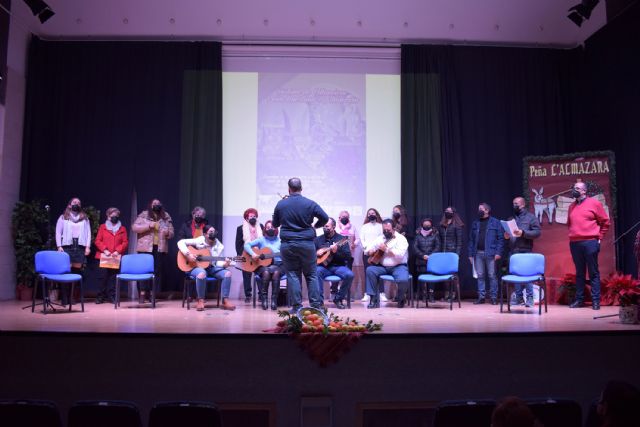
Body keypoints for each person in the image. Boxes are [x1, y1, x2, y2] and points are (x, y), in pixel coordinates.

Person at [272, 177, 329, 311]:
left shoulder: (281, 204)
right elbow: (325, 218)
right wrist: (315, 226)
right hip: (307, 244)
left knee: (292, 274)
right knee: (311, 275)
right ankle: (315, 306)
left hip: (288, 244)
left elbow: (275, 224)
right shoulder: (310, 203)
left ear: (289, 189)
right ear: (301, 188)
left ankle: (297, 307)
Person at [568, 181, 610, 310]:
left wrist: (599, 237)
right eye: (573, 187)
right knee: (580, 273)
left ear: (584, 191)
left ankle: (596, 301)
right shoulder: (571, 206)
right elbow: (570, 224)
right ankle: (579, 300)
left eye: (577, 188)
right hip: (575, 243)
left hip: (590, 242)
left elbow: (605, 222)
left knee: (593, 272)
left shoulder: (594, 203)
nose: (574, 190)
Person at [177, 225, 235, 311]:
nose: (213, 233)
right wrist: (188, 254)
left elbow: (217, 262)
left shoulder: (219, 246)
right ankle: (200, 300)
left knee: (227, 273)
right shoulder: (199, 240)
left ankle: (225, 300)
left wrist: (225, 264)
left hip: (212, 267)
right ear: (204, 234)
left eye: (214, 231)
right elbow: (180, 242)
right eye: (210, 232)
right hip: (195, 266)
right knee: (201, 274)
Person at [131, 199, 174, 304]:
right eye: (154, 203)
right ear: (150, 205)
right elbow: (134, 228)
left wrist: (167, 232)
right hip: (145, 247)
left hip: (159, 247)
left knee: (155, 272)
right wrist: (149, 226)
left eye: (158, 204)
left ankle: (151, 294)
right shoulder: (144, 215)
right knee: (143, 271)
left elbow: (172, 233)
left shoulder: (165, 216)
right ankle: (142, 294)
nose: (156, 205)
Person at [364, 218, 410, 308]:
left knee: (403, 280)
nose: (386, 231)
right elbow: (367, 250)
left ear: (394, 229)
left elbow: (400, 255)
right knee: (370, 270)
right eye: (384, 230)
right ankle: (373, 299)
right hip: (383, 267)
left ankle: (401, 298)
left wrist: (387, 250)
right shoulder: (380, 238)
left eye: (388, 230)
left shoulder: (401, 238)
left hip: (398, 266)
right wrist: (371, 251)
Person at [504, 196, 542, 307]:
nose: (514, 205)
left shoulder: (530, 218)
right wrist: (506, 236)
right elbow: (508, 233)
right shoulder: (511, 218)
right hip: (513, 251)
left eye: (516, 203)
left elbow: (537, 232)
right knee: (515, 276)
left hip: (525, 251)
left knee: (527, 276)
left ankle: (530, 299)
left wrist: (523, 233)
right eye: (513, 203)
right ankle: (519, 298)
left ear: (523, 204)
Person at [55, 197, 92, 306]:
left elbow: (88, 233)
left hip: (79, 246)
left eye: (78, 203)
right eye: (74, 202)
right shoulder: (63, 217)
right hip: (67, 246)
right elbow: (58, 232)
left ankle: (72, 297)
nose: (77, 204)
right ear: (70, 205)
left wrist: (87, 247)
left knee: (76, 273)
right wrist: (59, 246)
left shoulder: (84, 218)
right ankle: (64, 298)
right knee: (66, 272)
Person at [468, 202, 504, 305]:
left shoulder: (495, 222)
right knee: (480, 275)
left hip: (491, 253)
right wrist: (470, 254)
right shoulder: (476, 223)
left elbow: (500, 239)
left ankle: (493, 297)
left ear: (487, 210)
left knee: (492, 275)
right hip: (477, 253)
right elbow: (471, 240)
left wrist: (498, 252)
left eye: (481, 209)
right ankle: (481, 296)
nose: (479, 211)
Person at [315, 218, 354, 309]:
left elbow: (347, 256)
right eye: (324, 226)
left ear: (333, 227)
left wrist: (336, 252)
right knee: (316, 272)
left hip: (338, 266)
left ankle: (338, 298)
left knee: (350, 275)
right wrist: (316, 253)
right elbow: (311, 254)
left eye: (327, 226)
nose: (325, 228)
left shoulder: (342, 239)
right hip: (323, 267)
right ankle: (320, 302)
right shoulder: (318, 240)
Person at [244, 220, 282, 310]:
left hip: (278, 264)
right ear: (265, 229)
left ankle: (274, 300)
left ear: (276, 229)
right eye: (268, 227)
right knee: (266, 272)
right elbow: (247, 245)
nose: (270, 229)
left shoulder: (281, 240)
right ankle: (264, 299)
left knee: (276, 272)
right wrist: (252, 253)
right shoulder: (261, 239)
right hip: (263, 265)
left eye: (272, 227)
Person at [94, 207, 128, 304]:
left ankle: (112, 296)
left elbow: (125, 242)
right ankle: (100, 296)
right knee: (103, 277)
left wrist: (117, 251)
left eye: (117, 215)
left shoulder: (122, 229)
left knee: (113, 278)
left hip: (115, 256)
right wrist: (105, 250)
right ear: (108, 216)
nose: (115, 217)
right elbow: (97, 241)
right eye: (113, 215)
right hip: (104, 255)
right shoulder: (102, 227)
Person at [235, 208, 263, 303]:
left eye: (254, 216)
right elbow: (238, 244)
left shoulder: (261, 226)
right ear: (247, 218)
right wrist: (242, 256)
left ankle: (261, 295)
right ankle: (248, 295)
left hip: (258, 255)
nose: (253, 218)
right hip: (246, 255)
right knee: (246, 276)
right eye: (251, 216)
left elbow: (263, 242)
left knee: (260, 274)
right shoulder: (240, 228)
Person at [438, 206, 464, 300]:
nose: (447, 212)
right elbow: (439, 240)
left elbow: (459, 242)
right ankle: (447, 293)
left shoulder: (457, 225)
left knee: (453, 275)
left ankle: (454, 294)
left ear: (453, 213)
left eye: (449, 211)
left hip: (452, 253)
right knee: (444, 274)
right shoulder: (442, 224)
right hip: (443, 252)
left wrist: (457, 255)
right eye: (446, 211)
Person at [359, 208, 384, 302]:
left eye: (373, 213)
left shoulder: (381, 226)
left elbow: (382, 239)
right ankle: (367, 294)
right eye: (369, 213)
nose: (371, 215)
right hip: (367, 253)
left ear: (376, 214)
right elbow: (362, 239)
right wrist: (368, 249)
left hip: (378, 253)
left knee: (380, 273)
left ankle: (382, 293)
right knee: (367, 273)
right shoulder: (364, 227)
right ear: (367, 216)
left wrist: (375, 249)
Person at [413, 218, 440, 303]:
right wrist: (422, 255)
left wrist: (431, 255)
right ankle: (424, 296)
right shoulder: (418, 235)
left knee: (432, 279)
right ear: (422, 225)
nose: (427, 226)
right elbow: (414, 247)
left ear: (431, 225)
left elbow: (438, 246)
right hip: (421, 261)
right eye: (425, 225)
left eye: (428, 225)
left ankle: (431, 296)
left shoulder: (435, 235)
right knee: (422, 280)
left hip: (432, 261)